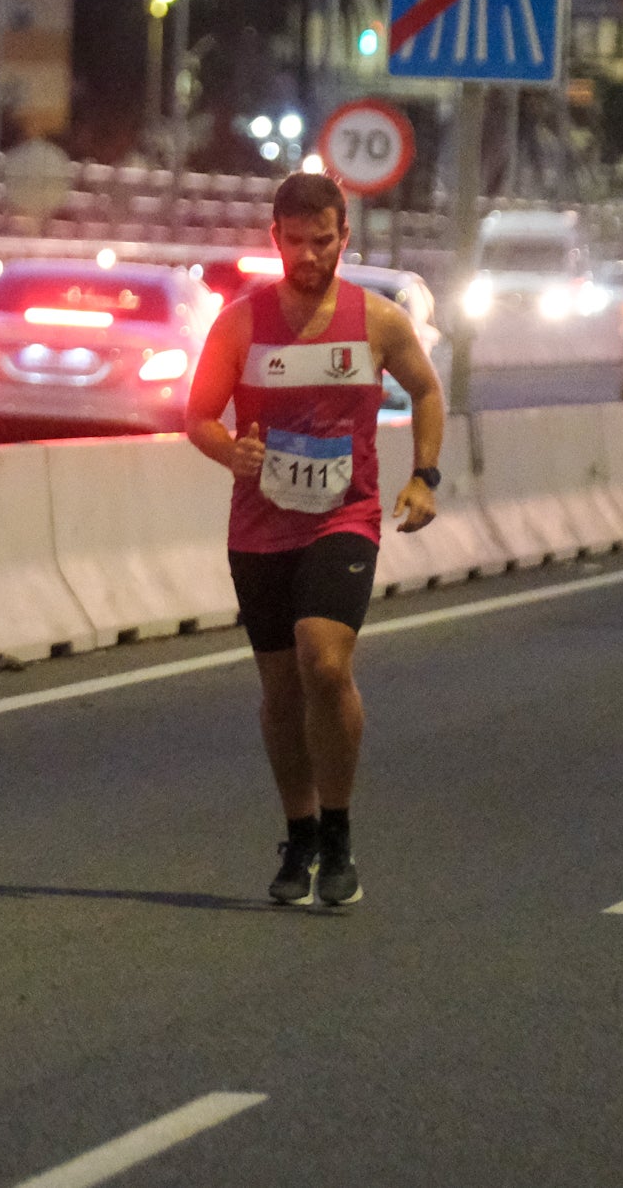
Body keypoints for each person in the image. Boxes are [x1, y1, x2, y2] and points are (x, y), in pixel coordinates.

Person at [185, 173, 444, 911]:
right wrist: (224, 448)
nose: (307, 255)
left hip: (343, 518)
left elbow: (425, 389)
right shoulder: (240, 322)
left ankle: (338, 832)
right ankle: (297, 833)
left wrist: (423, 474)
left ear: (343, 238)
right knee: (278, 691)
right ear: (274, 239)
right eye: (293, 242)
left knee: (323, 664)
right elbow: (198, 414)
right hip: (259, 526)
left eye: (321, 241)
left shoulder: (378, 320)